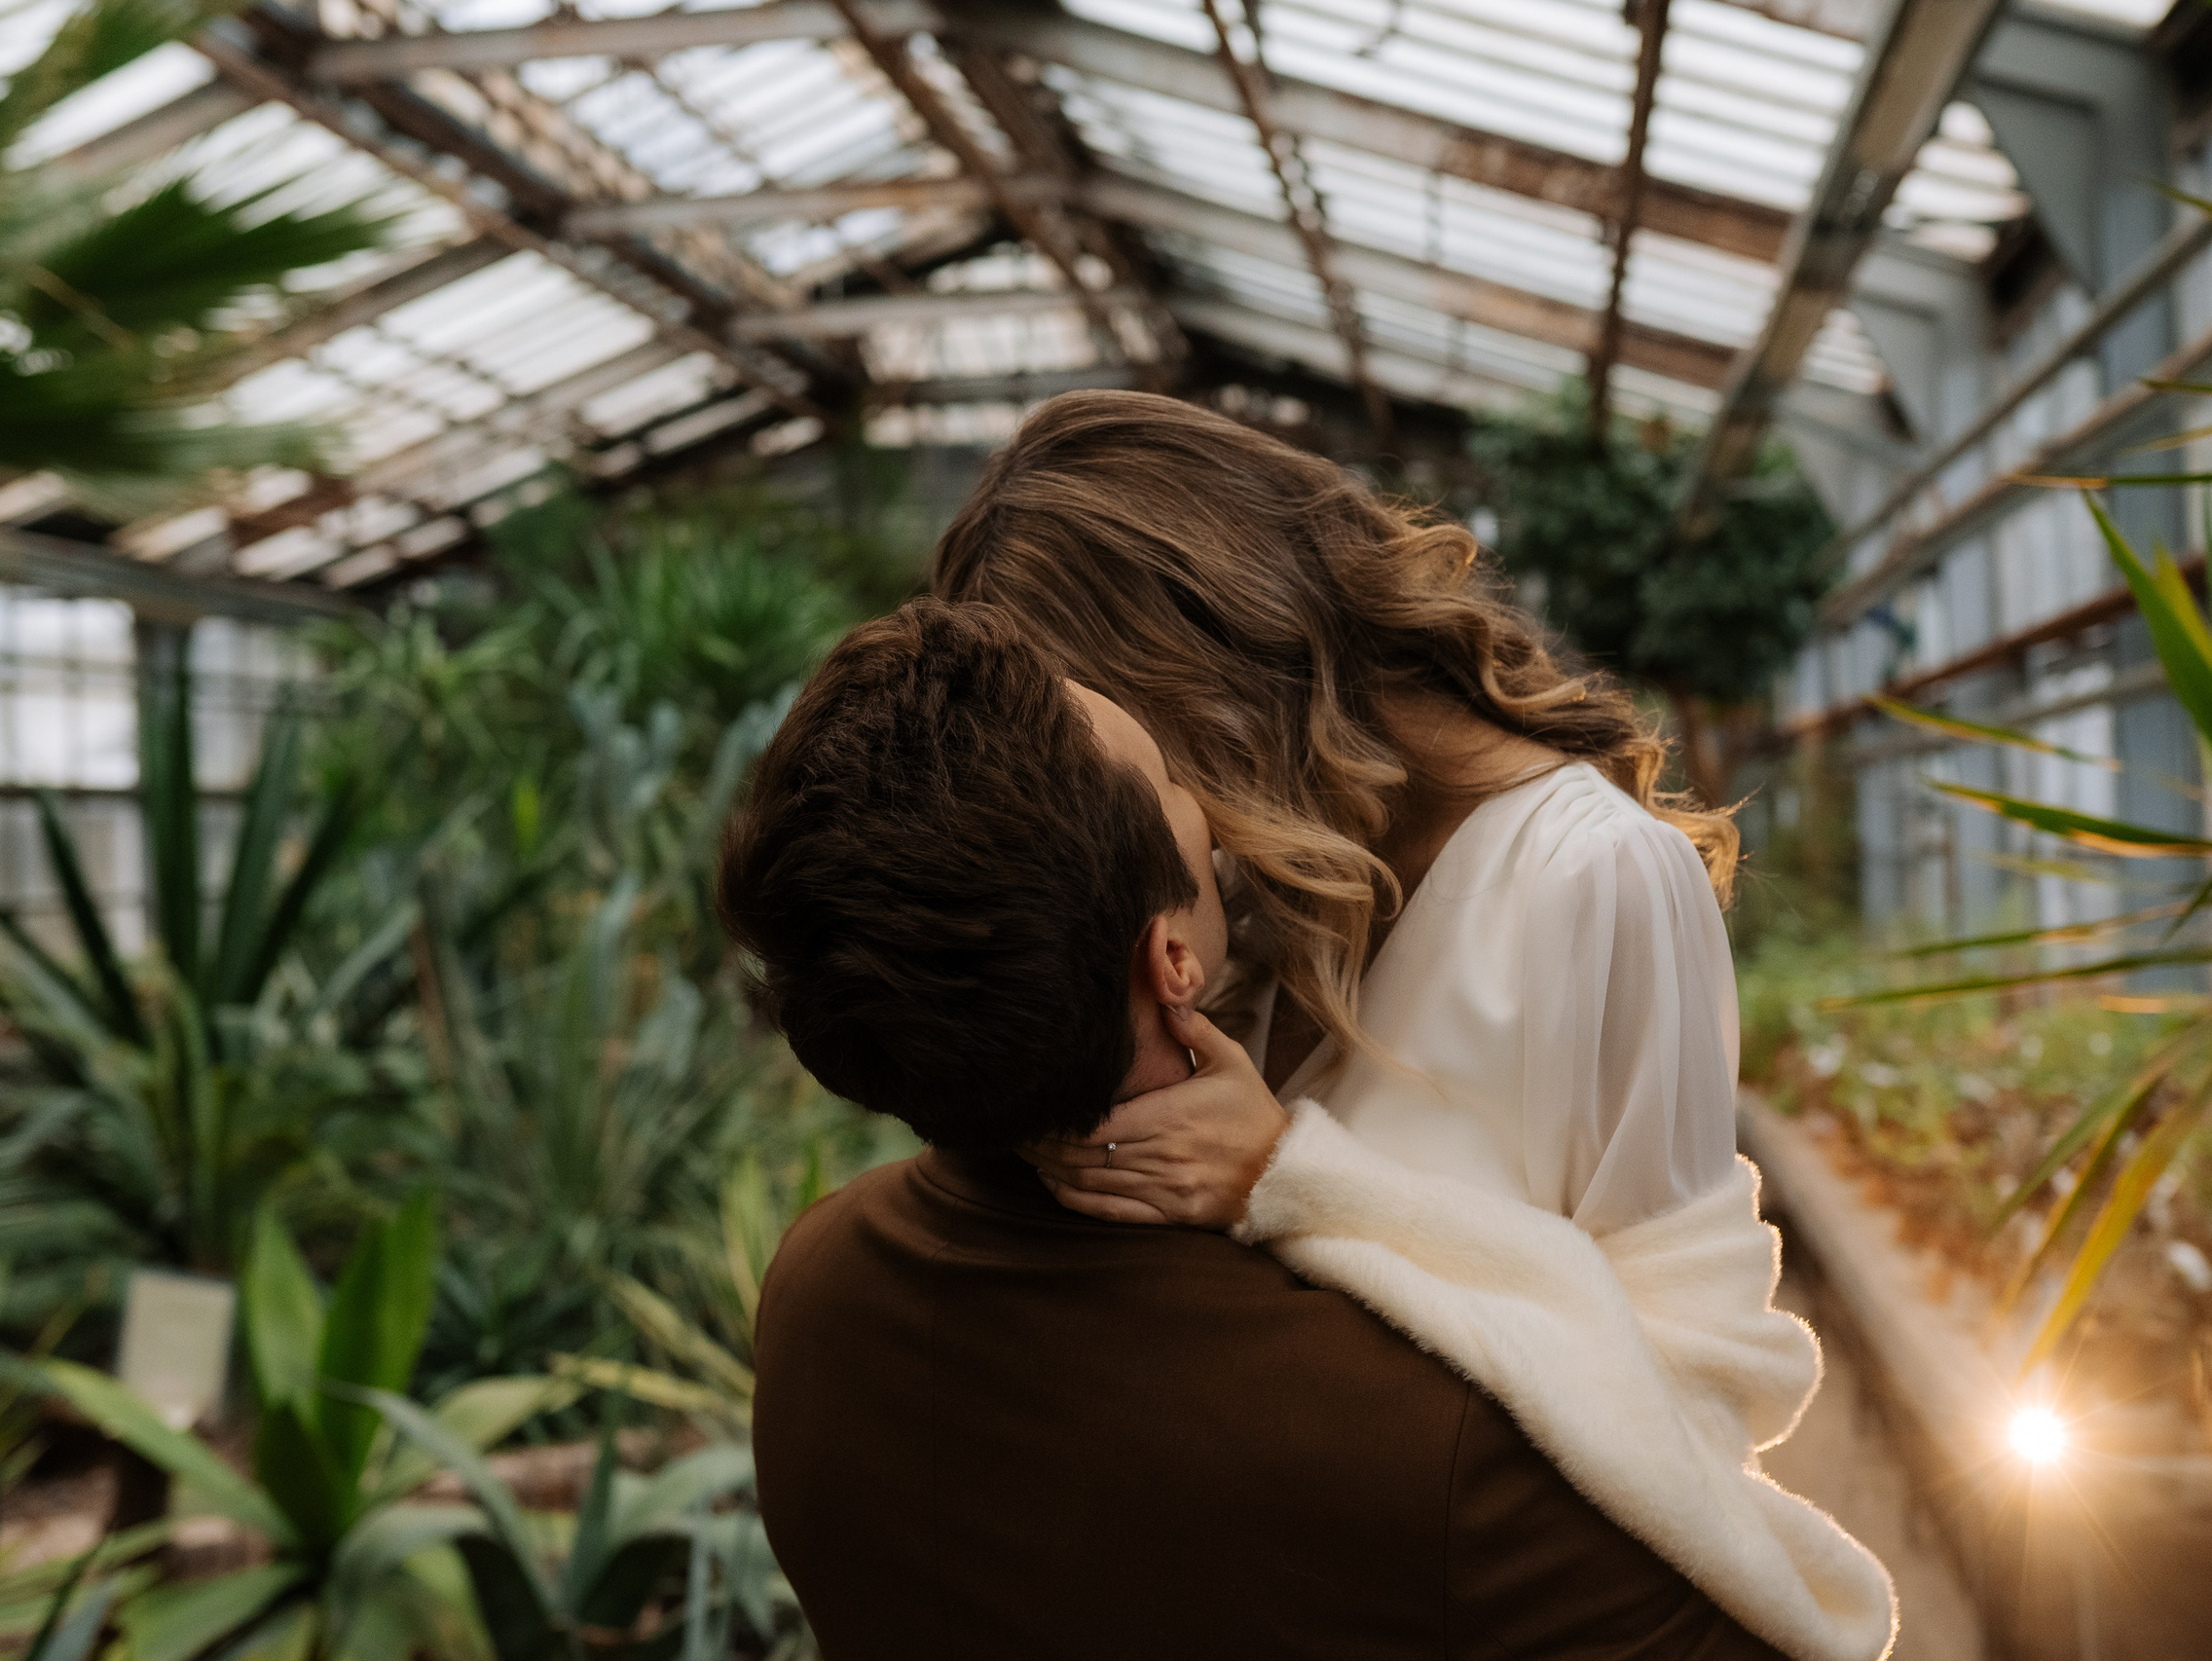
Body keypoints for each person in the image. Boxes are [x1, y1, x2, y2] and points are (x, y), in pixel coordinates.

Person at [928, 390, 1894, 1661]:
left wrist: (1293, 1183)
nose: (1104, 808)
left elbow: (1692, 1405)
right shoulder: (1227, 893)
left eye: (1108, 744)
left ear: (1208, 657)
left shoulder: (1594, 881)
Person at [720, 599, 1790, 1661]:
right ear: (1171, 961)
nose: (1211, 806)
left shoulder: (815, 1299)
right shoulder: (1414, 1441)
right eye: (1176, 783)